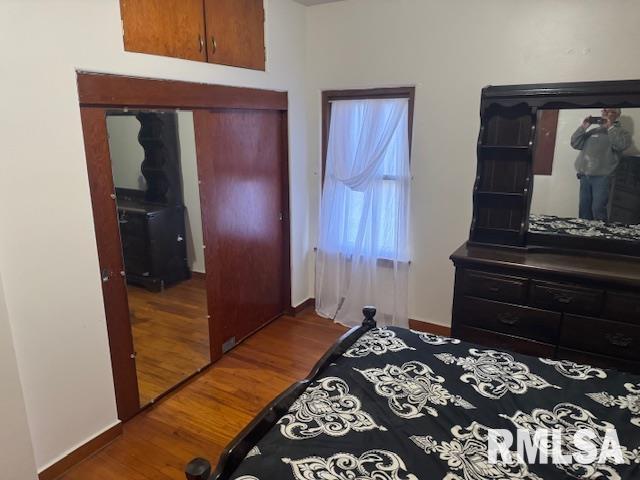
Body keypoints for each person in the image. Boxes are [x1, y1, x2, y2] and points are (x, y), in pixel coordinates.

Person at [571, 108, 632, 221]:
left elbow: (621, 145)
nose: (605, 113)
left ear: (616, 115)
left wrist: (610, 127)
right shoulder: (593, 131)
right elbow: (575, 143)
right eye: (604, 111)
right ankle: (583, 236)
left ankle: (599, 236)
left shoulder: (622, 132)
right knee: (584, 209)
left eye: (610, 111)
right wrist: (583, 127)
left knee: (598, 209)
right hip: (585, 176)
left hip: (603, 177)